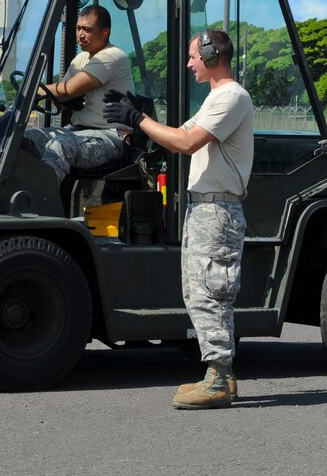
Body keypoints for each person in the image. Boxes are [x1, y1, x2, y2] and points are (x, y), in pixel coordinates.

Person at [104, 28, 253, 410]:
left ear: (210, 55)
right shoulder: (215, 99)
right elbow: (177, 135)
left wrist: (137, 119)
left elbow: (187, 144)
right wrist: (141, 115)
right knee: (198, 291)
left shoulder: (232, 97)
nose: (189, 64)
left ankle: (219, 377)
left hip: (217, 210)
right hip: (204, 208)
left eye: (192, 56)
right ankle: (220, 375)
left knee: (211, 290)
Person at [23, 4, 134, 183]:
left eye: (87, 30)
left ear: (105, 32)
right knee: (26, 140)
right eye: (78, 28)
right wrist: (59, 97)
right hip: (78, 130)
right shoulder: (81, 58)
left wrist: (33, 90)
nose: (80, 34)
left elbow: (69, 89)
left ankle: (42, 202)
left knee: (61, 146)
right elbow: (63, 94)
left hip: (110, 136)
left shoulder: (112, 56)